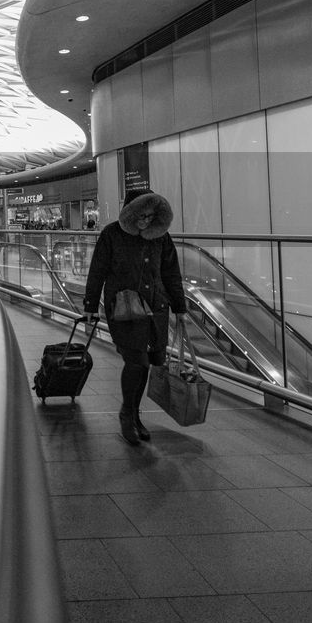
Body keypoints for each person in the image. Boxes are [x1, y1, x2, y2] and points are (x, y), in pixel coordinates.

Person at [83, 189, 186, 446]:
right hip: (125, 309)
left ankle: (133, 413)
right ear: (130, 212)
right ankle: (127, 415)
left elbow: (171, 273)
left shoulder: (161, 238)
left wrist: (180, 308)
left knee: (147, 363)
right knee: (136, 361)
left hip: (156, 308)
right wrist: (90, 305)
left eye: (151, 216)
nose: (145, 221)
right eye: (141, 215)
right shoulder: (112, 235)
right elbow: (98, 271)